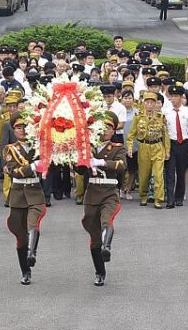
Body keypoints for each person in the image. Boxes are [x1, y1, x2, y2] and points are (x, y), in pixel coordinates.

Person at [79, 113, 126, 286]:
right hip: (92, 192)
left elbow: (122, 165)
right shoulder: (88, 147)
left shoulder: (117, 148)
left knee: (107, 219)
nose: (105, 131)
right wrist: (77, 160)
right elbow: (79, 171)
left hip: (108, 191)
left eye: (109, 127)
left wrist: (101, 163)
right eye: (103, 127)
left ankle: (107, 247)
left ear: (114, 130)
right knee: (93, 235)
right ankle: (99, 271)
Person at [2, 115, 45, 285]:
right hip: (18, 193)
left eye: (25, 127)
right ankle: (25, 271)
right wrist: (33, 167)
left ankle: (31, 252)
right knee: (20, 236)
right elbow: (14, 171)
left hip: (34, 191)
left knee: (33, 222)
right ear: (14, 129)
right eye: (19, 127)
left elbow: (45, 166)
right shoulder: (9, 149)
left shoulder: (38, 147)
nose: (22, 130)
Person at [126, 92, 169, 209]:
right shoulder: (138, 117)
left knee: (158, 175)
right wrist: (130, 147)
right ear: (144, 103)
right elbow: (131, 135)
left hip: (157, 146)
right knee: (144, 175)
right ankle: (144, 195)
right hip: (143, 147)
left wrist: (167, 151)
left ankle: (158, 198)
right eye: (147, 102)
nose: (149, 105)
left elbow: (165, 135)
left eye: (152, 102)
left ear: (155, 104)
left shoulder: (161, 117)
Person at [163, 85, 188, 208]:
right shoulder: (165, 112)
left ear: (181, 97)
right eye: (172, 96)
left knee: (182, 172)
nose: (174, 99)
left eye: (176, 96)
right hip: (171, 144)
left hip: (184, 143)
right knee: (170, 172)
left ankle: (179, 197)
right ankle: (170, 199)